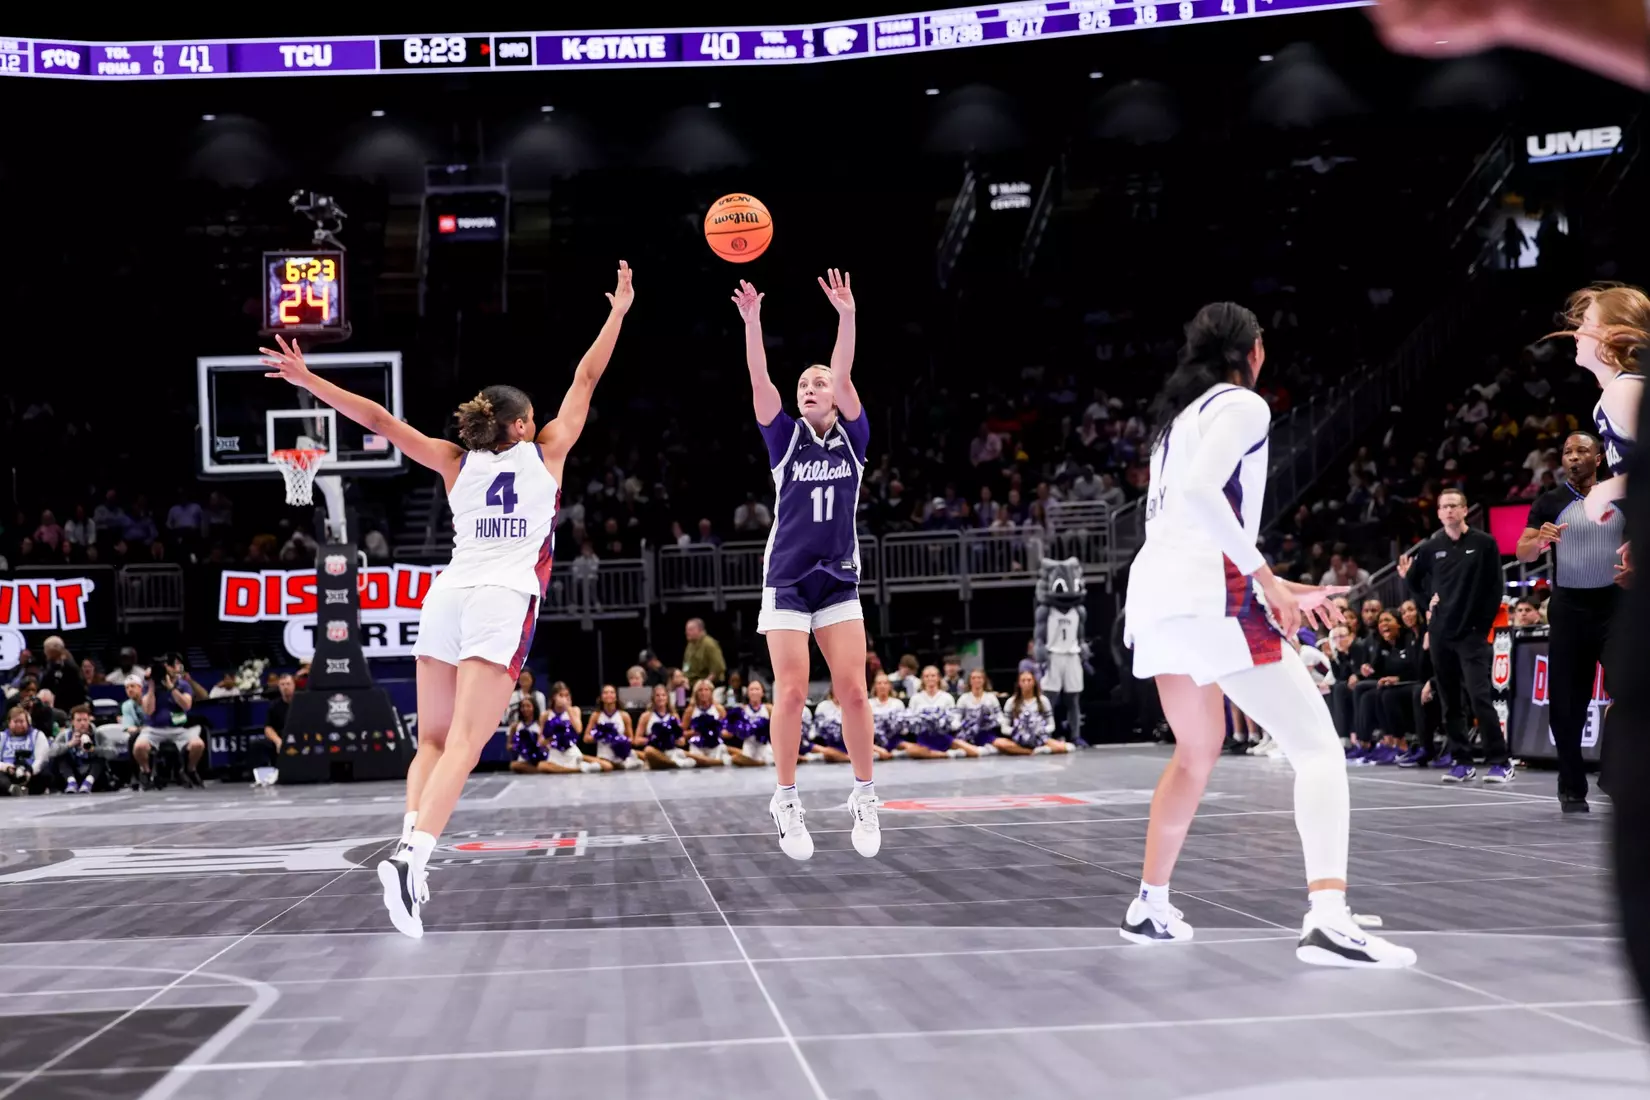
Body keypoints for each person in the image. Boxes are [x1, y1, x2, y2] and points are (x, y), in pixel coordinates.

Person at [260, 259, 634, 939]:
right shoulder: (547, 453)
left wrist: (308, 379)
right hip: (501, 596)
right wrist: (618, 312)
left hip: (448, 595)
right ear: (522, 427)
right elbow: (585, 378)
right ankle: (411, 858)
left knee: (431, 739)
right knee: (467, 742)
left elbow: (377, 417)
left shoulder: (453, 460)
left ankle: (411, 850)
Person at [1122, 301, 1413, 968]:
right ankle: (1329, 918)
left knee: (1197, 750)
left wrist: (1277, 582)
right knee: (1317, 748)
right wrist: (1268, 582)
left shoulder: (1178, 420)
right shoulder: (1242, 406)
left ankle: (1150, 904)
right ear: (1251, 350)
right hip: (1209, 595)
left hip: (1159, 598)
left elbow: (1189, 518)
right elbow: (1203, 496)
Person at [732, 269, 879, 861]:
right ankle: (786, 799)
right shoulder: (784, 440)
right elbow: (759, 378)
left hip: (838, 575)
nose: (811, 387)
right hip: (788, 579)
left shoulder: (855, 438)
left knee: (855, 694)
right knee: (790, 693)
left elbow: (843, 375)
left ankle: (865, 795)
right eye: (806, 383)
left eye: (820, 382)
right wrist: (752, 322)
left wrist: (846, 317)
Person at [1515, 431, 1625, 811]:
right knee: (1567, 705)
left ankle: (1613, 775)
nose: (1573, 457)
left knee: (1631, 691)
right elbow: (1523, 550)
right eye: (1567, 452)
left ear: (1599, 458)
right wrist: (1540, 540)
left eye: (1582, 451)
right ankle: (1571, 785)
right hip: (1570, 610)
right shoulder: (1550, 501)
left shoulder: (1619, 495)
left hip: (1616, 607)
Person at [1398, 488, 1511, 783]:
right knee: (1449, 701)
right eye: (1443, 506)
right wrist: (1427, 605)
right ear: (1438, 513)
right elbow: (1412, 580)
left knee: (1479, 697)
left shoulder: (1484, 543)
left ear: (1464, 511)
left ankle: (1500, 760)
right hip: (1440, 634)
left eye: (1454, 506)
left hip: (1472, 634)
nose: (1448, 511)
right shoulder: (1431, 546)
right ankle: (1462, 760)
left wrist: (1482, 626)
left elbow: (1494, 587)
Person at [1547, 284, 1645, 523]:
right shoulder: (1616, 393)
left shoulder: (1625, 390)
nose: (1576, 333)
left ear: (1612, 332)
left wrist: (1601, 493)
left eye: (1586, 322)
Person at [133, 656, 205, 789]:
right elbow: (148, 711)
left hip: (179, 729)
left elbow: (186, 705)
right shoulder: (147, 686)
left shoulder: (183, 685)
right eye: (172, 665)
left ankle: (190, 769)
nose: (175, 668)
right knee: (139, 747)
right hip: (154, 729)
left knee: (198, 745)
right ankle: (146, 772)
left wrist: (172, 688)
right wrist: (151, 687)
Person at [253, 672, 295, 788]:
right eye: (282, 685)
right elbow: (268, 728)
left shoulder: (302, 703)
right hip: (281, 737)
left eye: (288, 684)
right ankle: (264, 778)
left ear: (294, 685)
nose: (285, 687)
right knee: (258, 745)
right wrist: (278, 741)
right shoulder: (274, 706)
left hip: (299, 736)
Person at [681, 618, 727, 686]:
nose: (687, 632)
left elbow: (717, 669)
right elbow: (686, 665)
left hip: (710, 684)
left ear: (699, 630)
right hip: (691, 684)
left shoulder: (709, 644)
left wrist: (704, 684)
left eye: (690, 630)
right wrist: (684, 678)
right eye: (686, 630)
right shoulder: (690, 645)